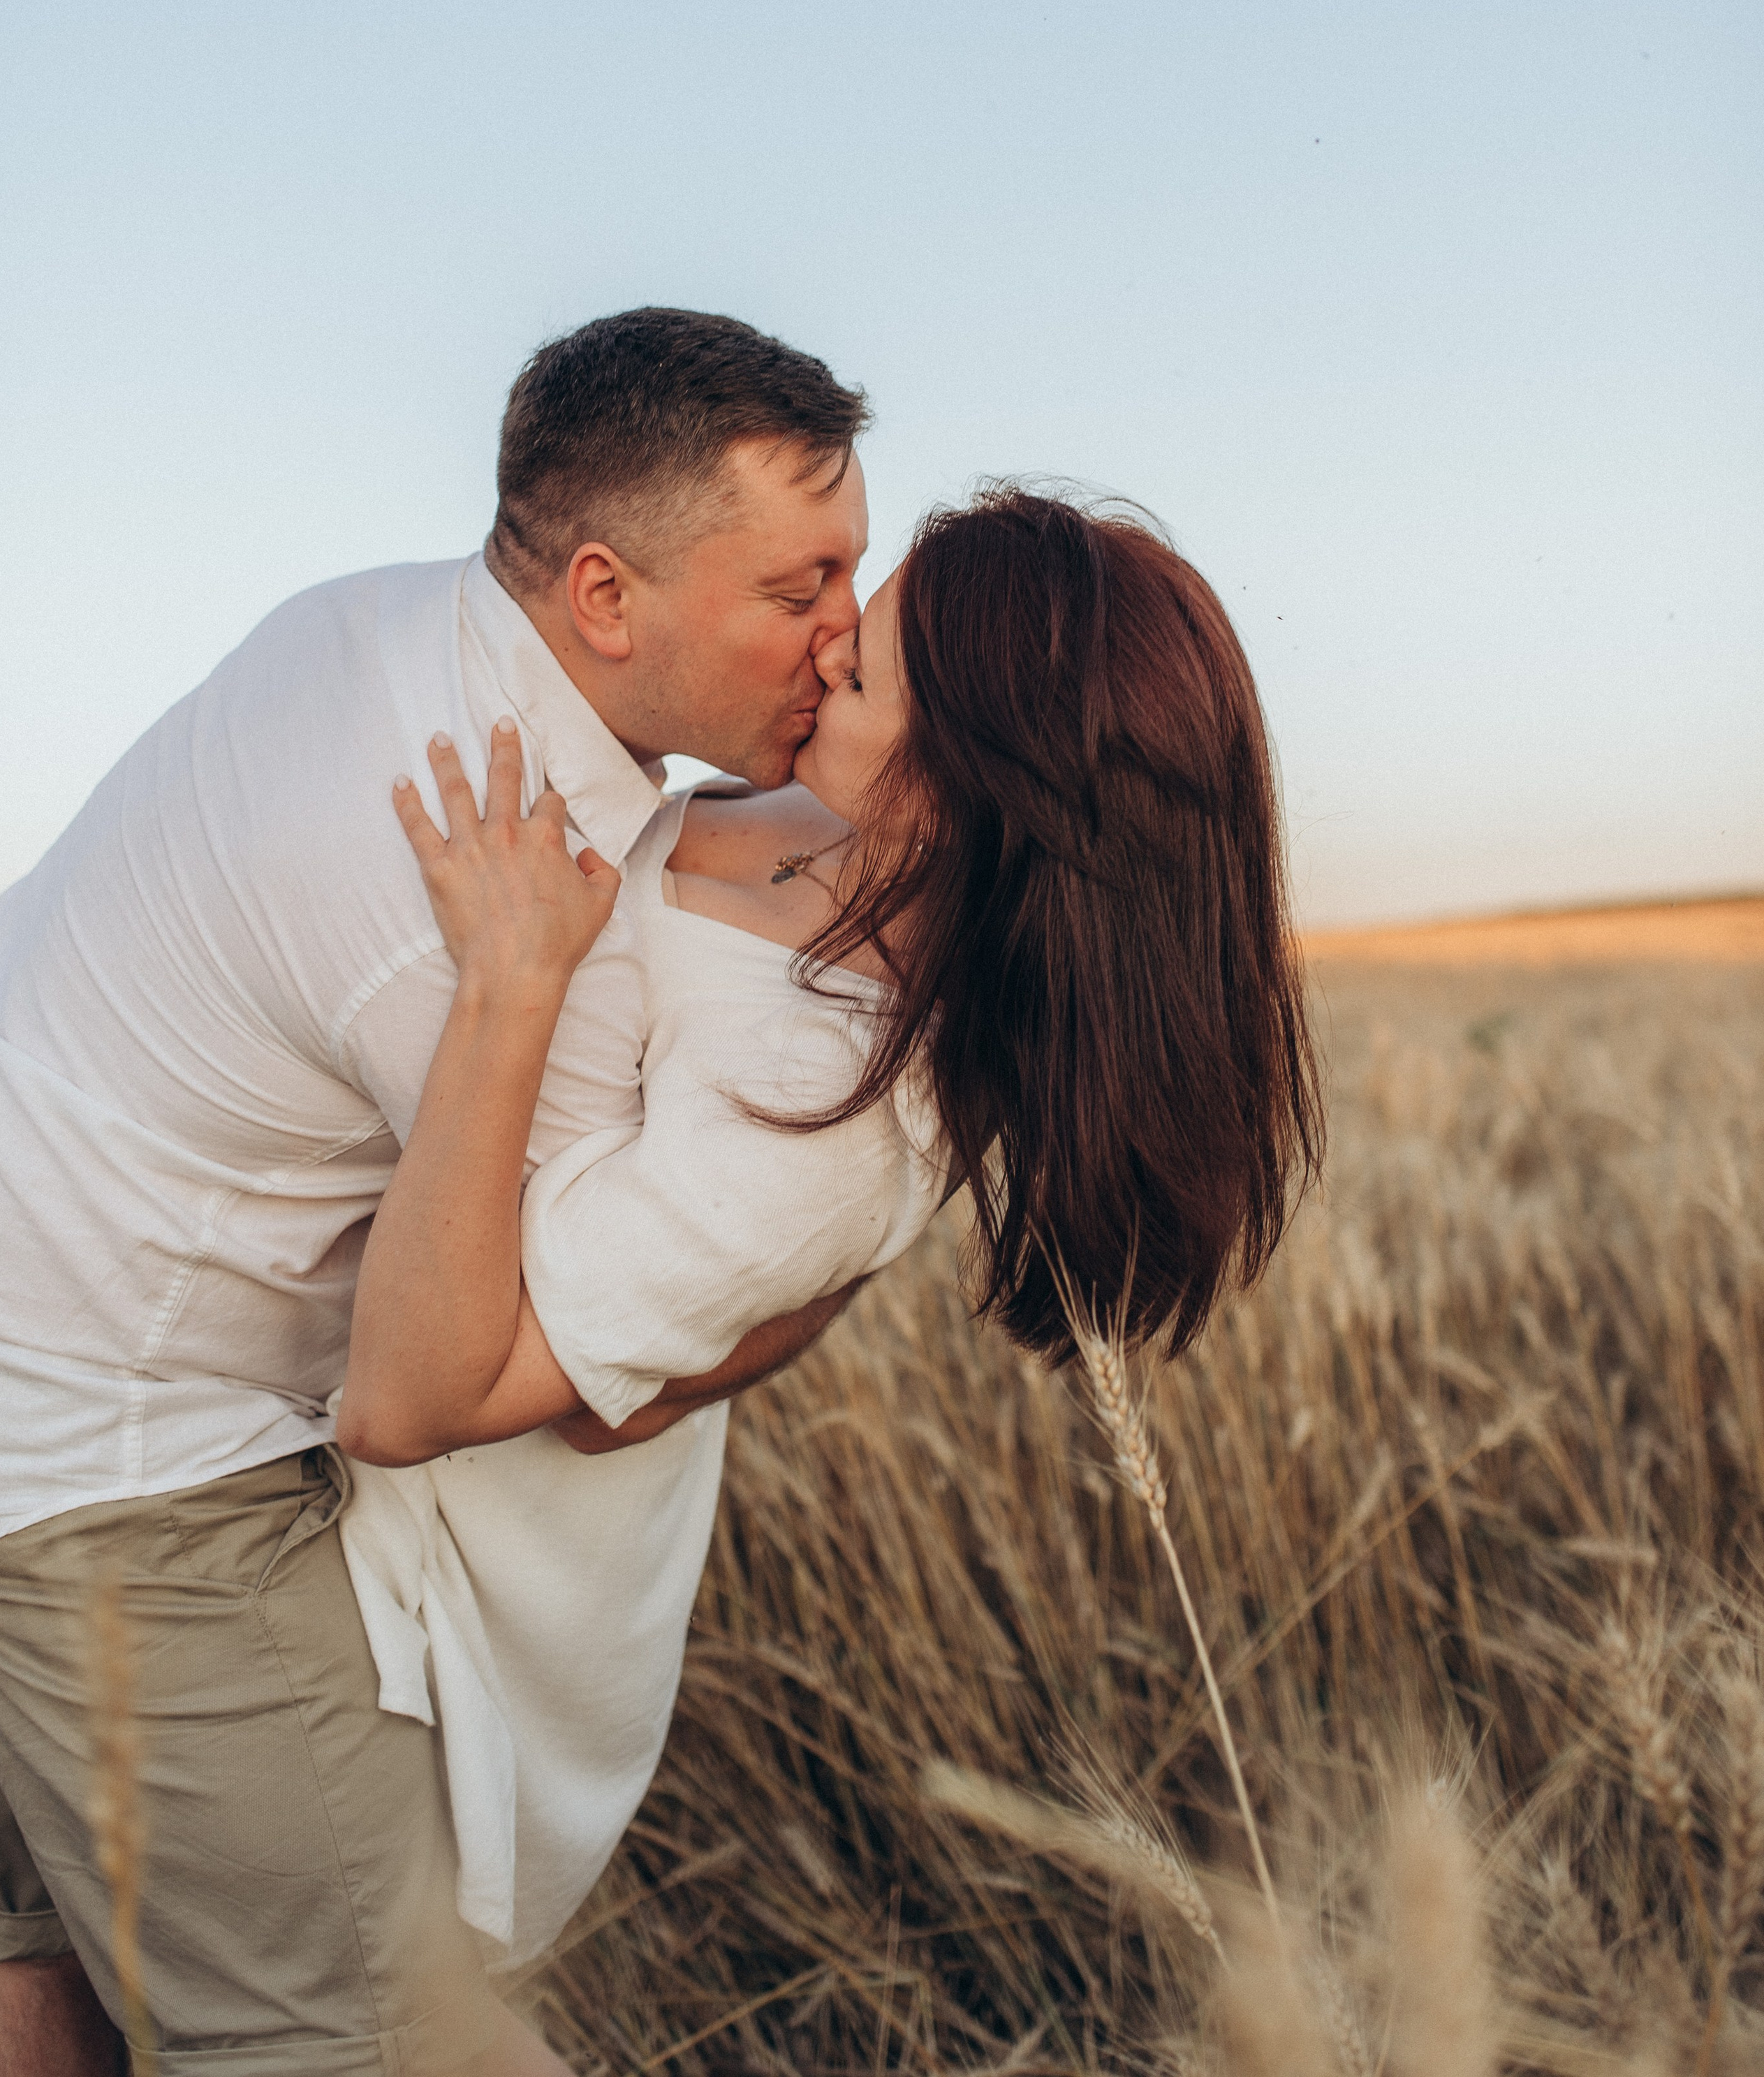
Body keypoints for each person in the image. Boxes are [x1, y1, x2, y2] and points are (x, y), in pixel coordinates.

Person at [0, 311, 879, 2077]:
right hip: (107, 1476)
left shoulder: (374, 624)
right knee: (370, 2038)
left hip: (10, 1363)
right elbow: (531, 1370)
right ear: (608, 598)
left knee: (39, 1978)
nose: (844, 634)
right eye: (802, 585)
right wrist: (843, 1230)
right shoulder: (491, 881)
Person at [332, 482, 1324, 1963]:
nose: (822, 650)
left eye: (862, 667)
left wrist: (511, 982)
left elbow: (421, 1399)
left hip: (455, 1607)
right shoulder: (812, 807)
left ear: (973, 790)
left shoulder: (836, 1105)